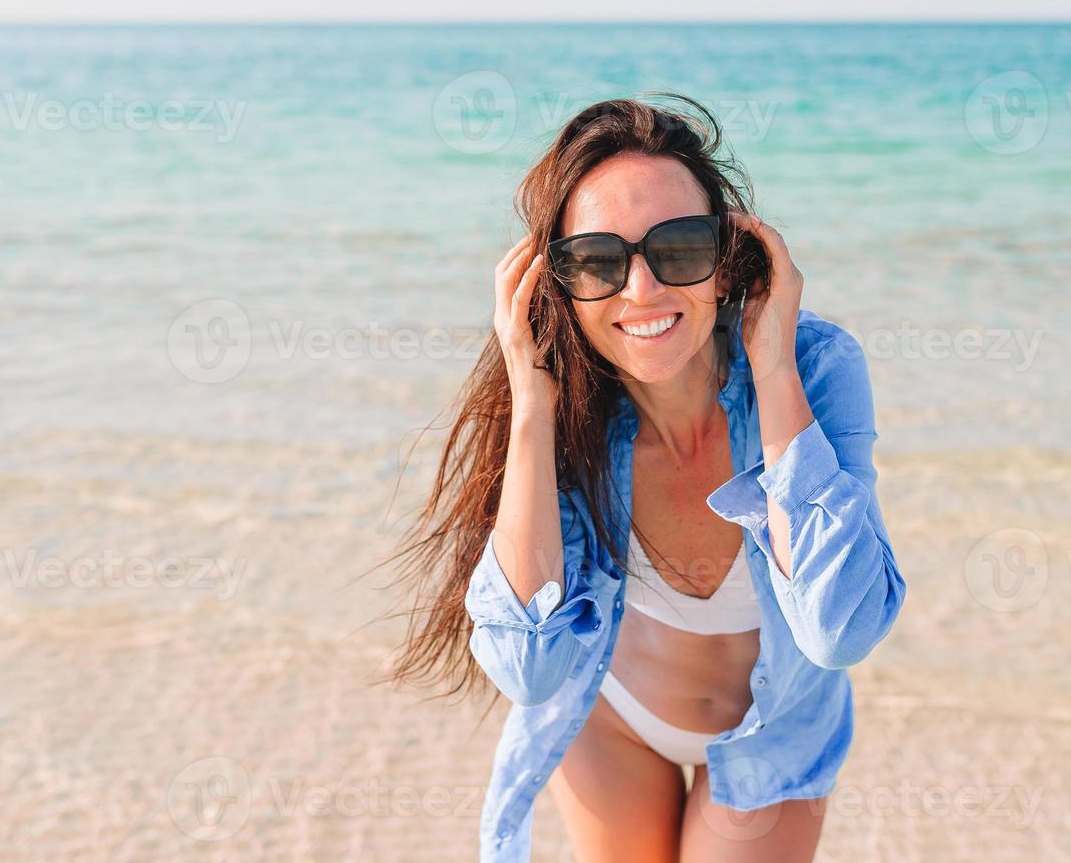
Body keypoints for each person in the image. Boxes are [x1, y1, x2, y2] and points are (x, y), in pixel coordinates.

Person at [380, 93, 906, 862]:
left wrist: (773, 362)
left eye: (681, 248)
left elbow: (840, 630)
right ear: (555, 282)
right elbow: (529, 670)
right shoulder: (561, 404)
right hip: (612, 720)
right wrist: (531, 406)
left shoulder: (817, 365)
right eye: (596, 260)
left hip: (777, 730)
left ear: (727, 258)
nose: (642, 290)